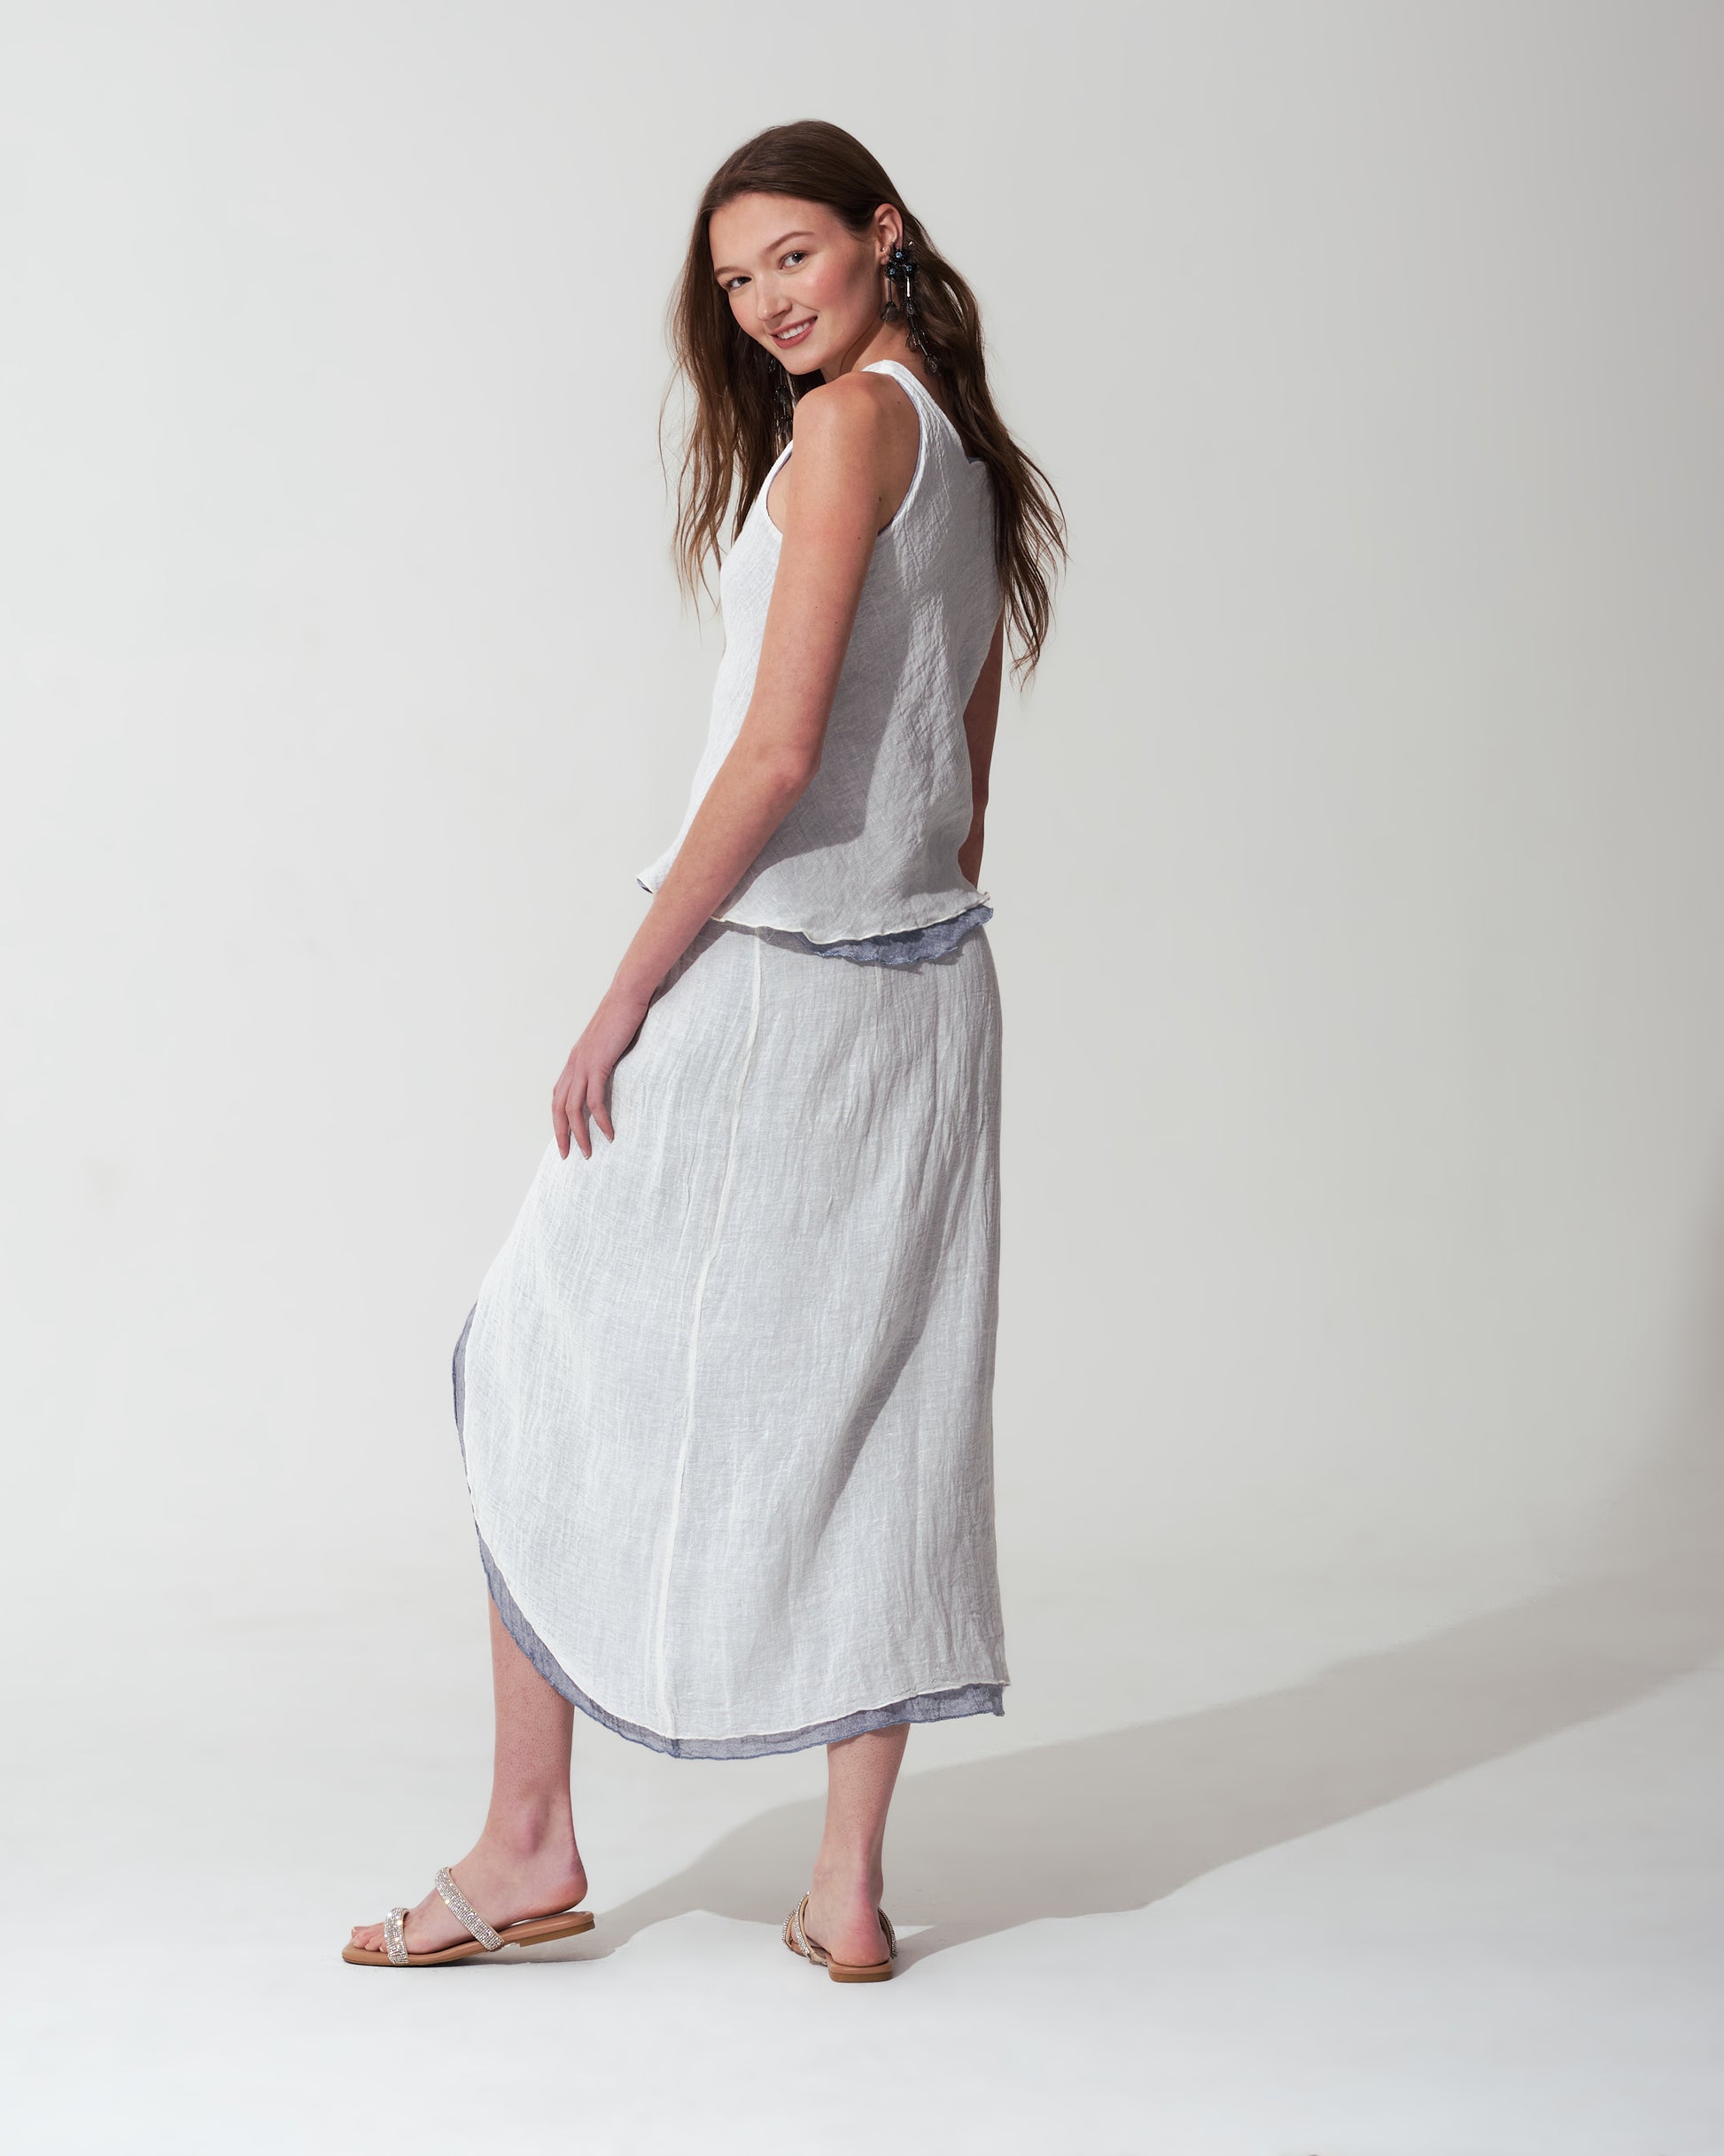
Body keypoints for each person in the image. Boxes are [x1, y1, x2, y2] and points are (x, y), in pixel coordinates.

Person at [345, 118, 1064, 1983]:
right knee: (875, 1410)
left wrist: (621, 990)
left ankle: (524, 1841)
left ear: (879, 234)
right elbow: (962, 793)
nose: (761, 308)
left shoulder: (847, 433)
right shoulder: (975, 459)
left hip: (773, 983)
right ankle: (843, 1889)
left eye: (790, 260)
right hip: (926, 994)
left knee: (532, 1346)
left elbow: (773, 750)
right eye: (735, 283)